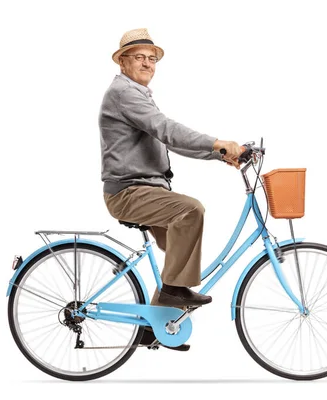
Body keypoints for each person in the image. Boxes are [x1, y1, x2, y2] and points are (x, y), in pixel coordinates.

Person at [99, 28, 244, 351]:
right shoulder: (124, 93)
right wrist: (217, 142)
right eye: (139, 58)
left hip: (145, 189)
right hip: (129, 192)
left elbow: (167, 139)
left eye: (152, 59)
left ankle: (154, 327)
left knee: (180, 255)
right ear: (122, 62)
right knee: (190, 211)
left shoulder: (135, 93)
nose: (147, 64)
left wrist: (219, 154)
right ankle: (171, 294)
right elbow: (166, 130)